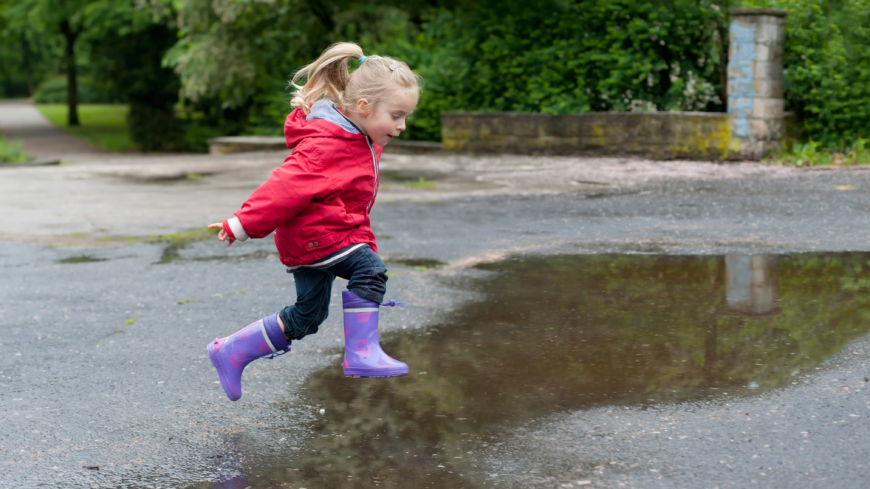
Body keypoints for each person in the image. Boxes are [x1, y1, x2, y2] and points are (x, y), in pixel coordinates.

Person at [205, 42, 422, 401]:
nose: (402, 126)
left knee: (308, 317)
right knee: (369, 269)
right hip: (318, 238)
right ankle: (362, 353)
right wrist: (241, 224)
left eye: (405, 117)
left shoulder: (358, 136)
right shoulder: (326, 145)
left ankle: (230, 351)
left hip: (319, 239)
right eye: (396, 115)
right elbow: (283, 188)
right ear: (363, 107)